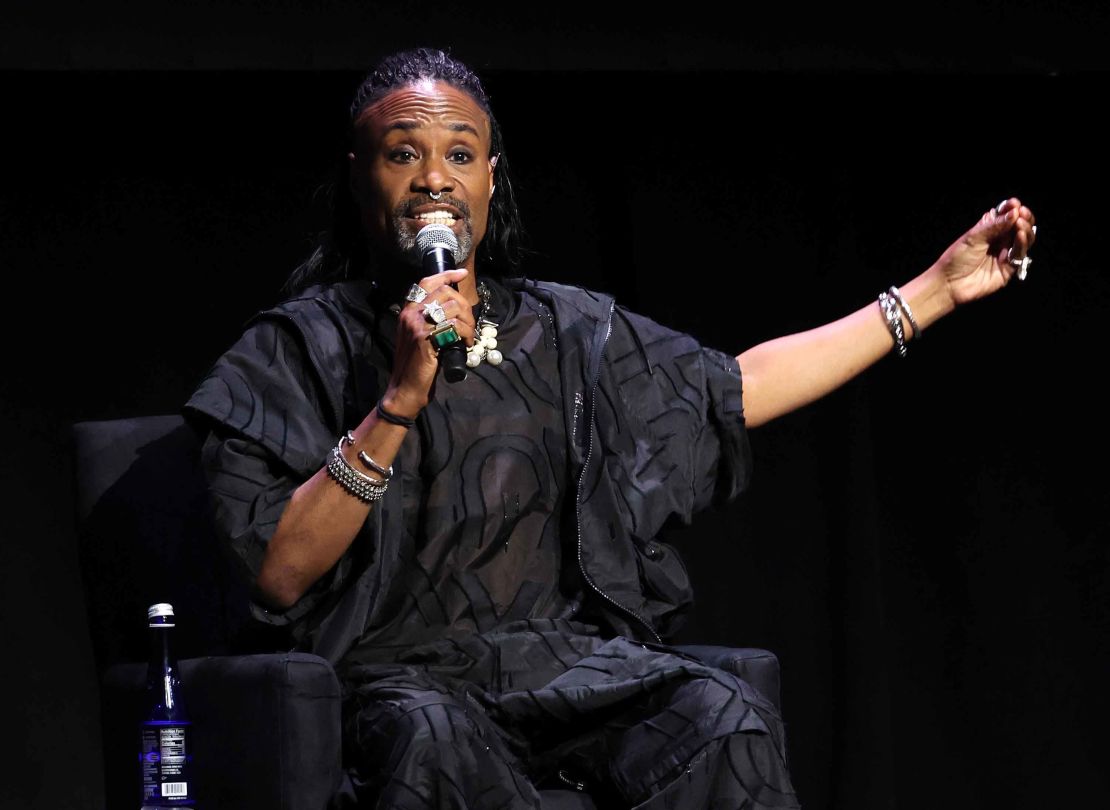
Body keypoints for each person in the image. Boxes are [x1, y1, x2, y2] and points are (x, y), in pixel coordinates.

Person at [185, 48, 1036, 809]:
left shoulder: (569, 334)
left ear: (490, 179)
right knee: (433, 743)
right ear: (359, 176)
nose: (433, 179)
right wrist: (398, 399)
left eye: (459, 155)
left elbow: (736, 387)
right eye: (403, 154)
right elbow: (279, 573)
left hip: (562, 668)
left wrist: (933, 291)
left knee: (723, 722)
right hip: (399, 683)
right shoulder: (296, 351)